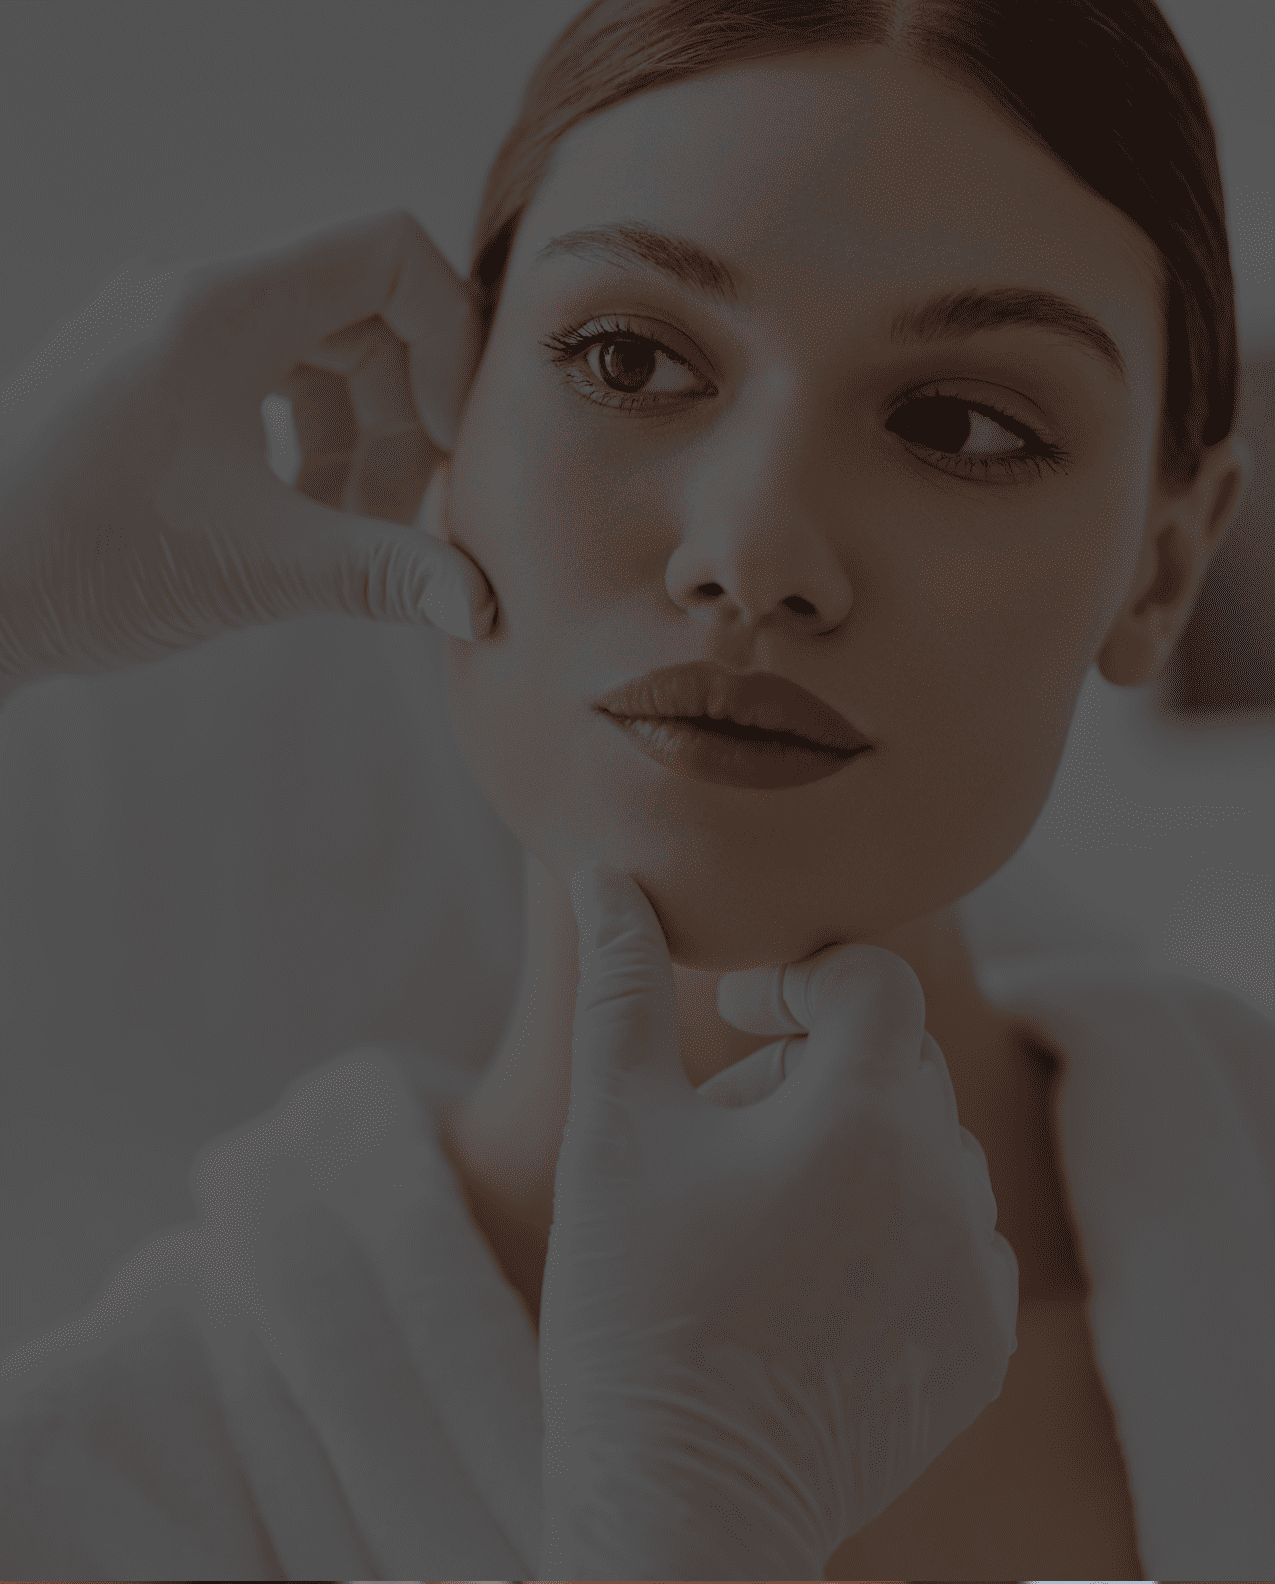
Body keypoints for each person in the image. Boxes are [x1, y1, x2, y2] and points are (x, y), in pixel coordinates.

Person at [0, 0, 1271, 1579]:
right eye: (628, 356)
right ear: (443, 429)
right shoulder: (92, 1495)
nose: (754, 553)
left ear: (1160, 566)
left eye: (959, 423)